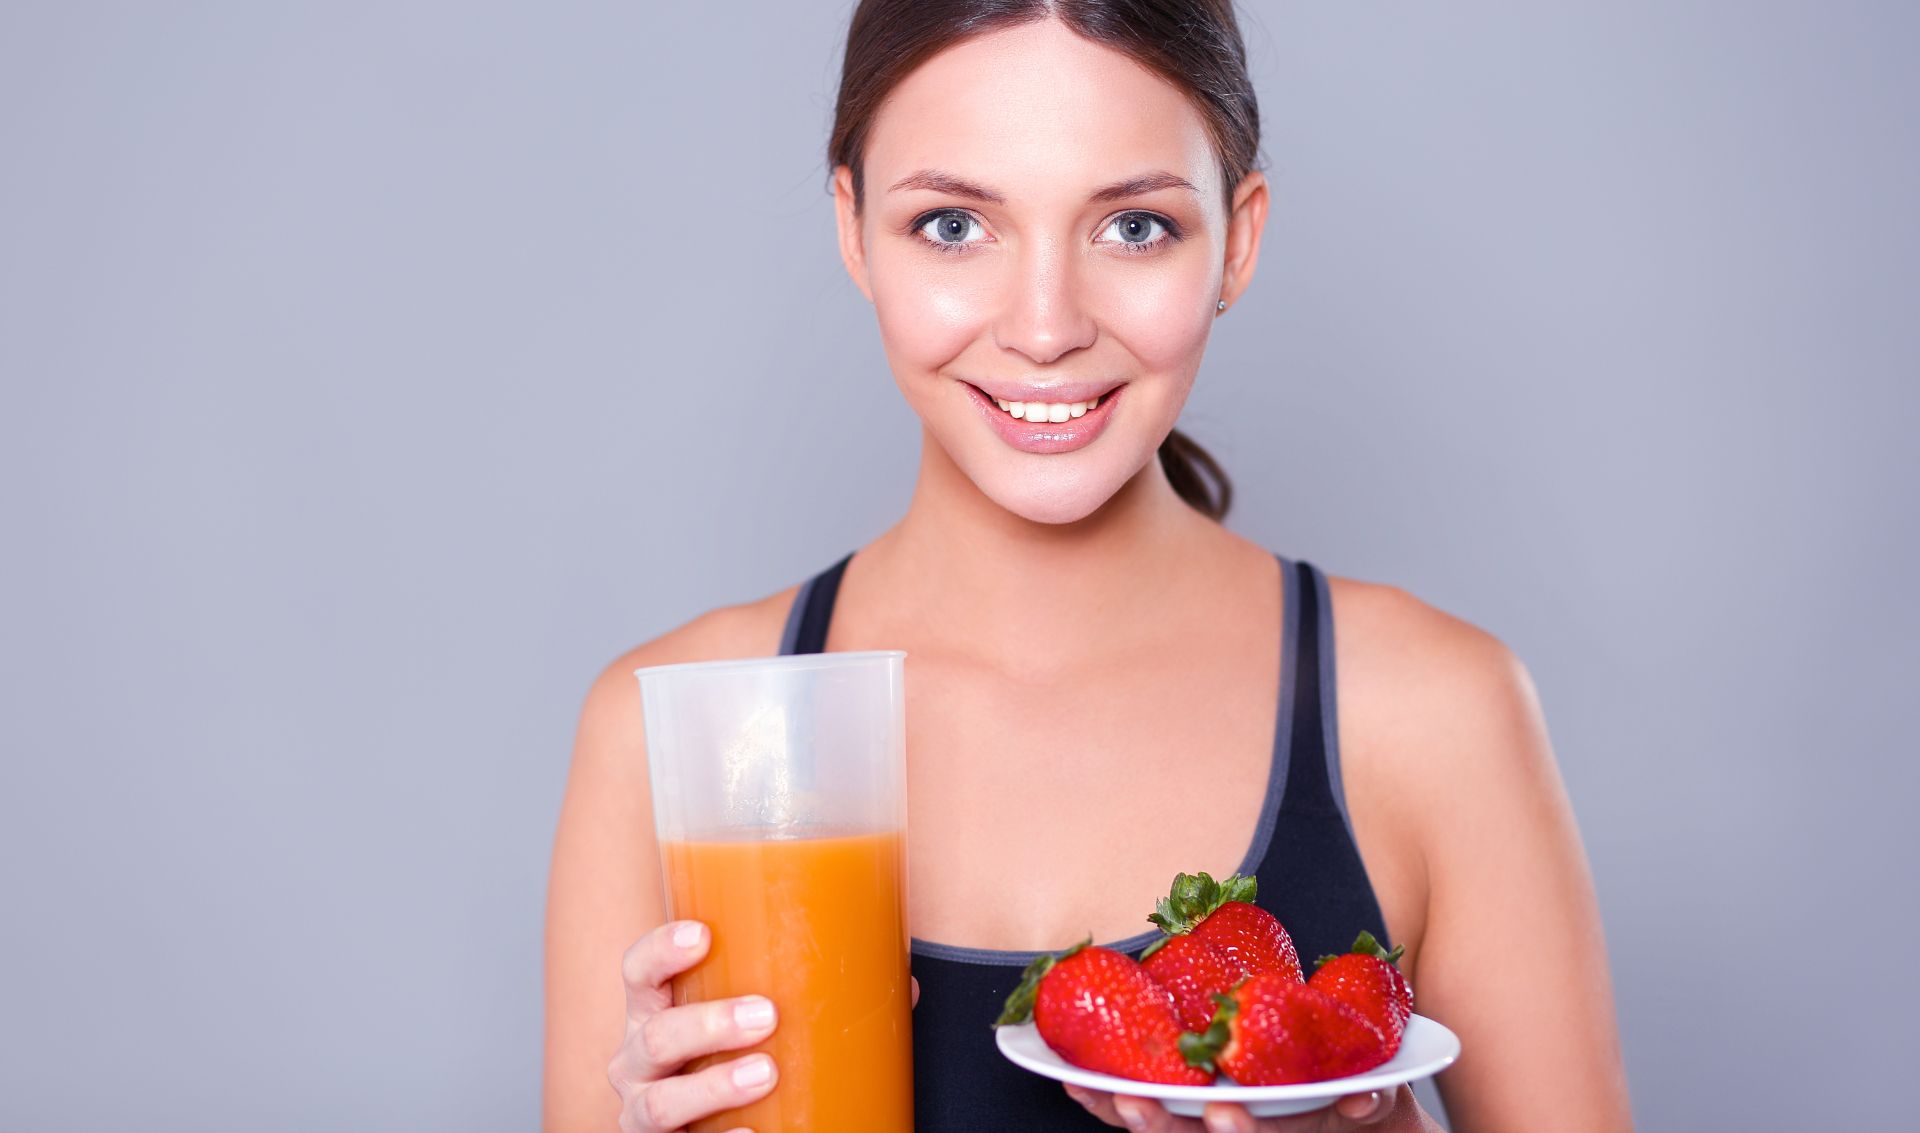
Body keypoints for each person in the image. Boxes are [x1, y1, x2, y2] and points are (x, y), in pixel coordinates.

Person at [545, 2, 1633, 1130]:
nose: (1047, 325)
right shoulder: (666, 735)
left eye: (1134, 228)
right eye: (955, 225)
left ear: (1239, 237)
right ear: (853, 226)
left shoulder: (1432, 711)